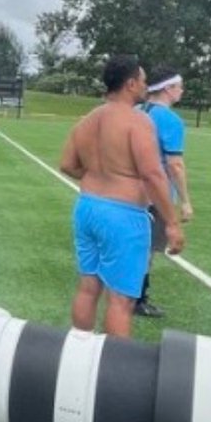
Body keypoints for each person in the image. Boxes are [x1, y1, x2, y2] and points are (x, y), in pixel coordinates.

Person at [59, 54, 185, 337]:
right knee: (121, 299)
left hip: (88, 208)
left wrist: (99, 178)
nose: (145, 86)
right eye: (142, 80)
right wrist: (172, 223)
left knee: (88, 287)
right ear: (130, 84)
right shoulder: (137, 121)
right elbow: (153, 174)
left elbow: (67, 164)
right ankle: (115, 372)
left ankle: (79, 354)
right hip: (123, 215)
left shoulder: (88, 119)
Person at [134, 67, 193, 319]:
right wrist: (185, 201)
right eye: (179, 86)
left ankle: (123, 291)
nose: (182, 90)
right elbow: (174, 164)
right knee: (146, 249)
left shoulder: (134, 112)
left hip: (123, 190)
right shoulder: (170, 120)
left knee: (131, 244)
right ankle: (138, 298)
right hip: (152, 194)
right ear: (168, 88)